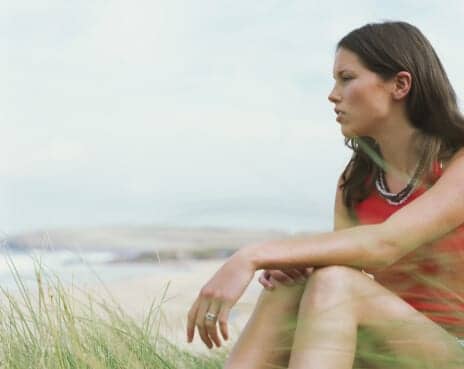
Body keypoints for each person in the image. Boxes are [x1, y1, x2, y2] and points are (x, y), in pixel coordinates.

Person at [186, 21, 464, 368]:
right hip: (385, 347)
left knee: (336, 283)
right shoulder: (357, 180)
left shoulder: (458, 162)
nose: (333, 94)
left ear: (400, 84)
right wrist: (297, 265)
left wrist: (252, 256)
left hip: (453, 350)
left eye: (346, 78)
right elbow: (352, 263)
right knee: (292, 284)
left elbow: (384, 244)